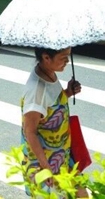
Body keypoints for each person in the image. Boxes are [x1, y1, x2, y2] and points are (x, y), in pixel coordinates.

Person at [21, 47, 86, 197]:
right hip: (46, 162)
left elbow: (51, 105)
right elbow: (29, 132)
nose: (67, 61)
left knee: (81, 194)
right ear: (46, 58)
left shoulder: (49, 74)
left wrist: (68, 92)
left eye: (68, 56)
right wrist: (46, 168)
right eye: (63, 57)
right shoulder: (36, 92)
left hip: (62, 155)